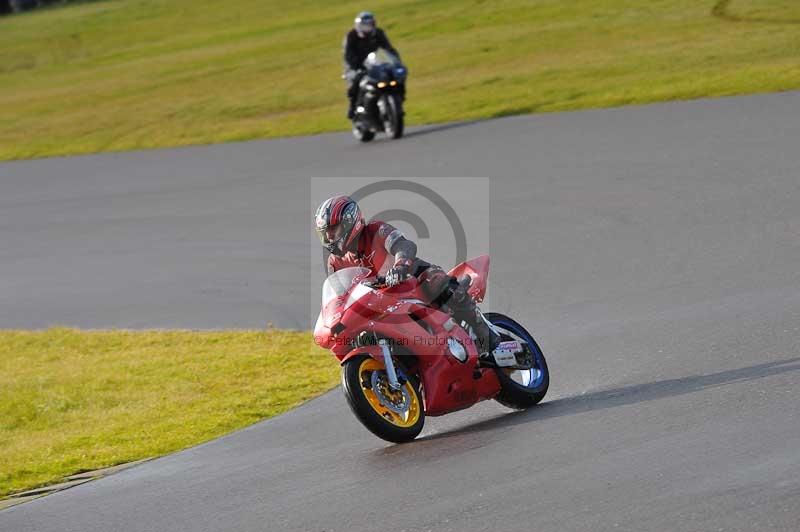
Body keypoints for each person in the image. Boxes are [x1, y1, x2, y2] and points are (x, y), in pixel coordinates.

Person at [314, 195, 502, 362]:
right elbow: (340, 295)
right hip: (379, 302)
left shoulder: (376, 230)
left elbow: (404, 245)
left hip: (411, 279)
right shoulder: (335, 262)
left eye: (333, 229)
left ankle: (485, 334)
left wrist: (400, 265)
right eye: (325, 232)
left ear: (350, 222)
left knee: (440, 285)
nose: (329, 237)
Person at [343, 11, 401, 119]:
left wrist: (396, 61)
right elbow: (348, 54)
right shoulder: (351, 35)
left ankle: (398, 98)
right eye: (365, 25)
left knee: (396, 75)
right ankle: (353, 107)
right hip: (356, 65)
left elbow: (388, 48)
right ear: (359, 26)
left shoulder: (378, 33)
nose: (367, 27)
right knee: (356, 80)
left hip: (375, 63)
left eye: (370, 24)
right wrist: (357, 67)